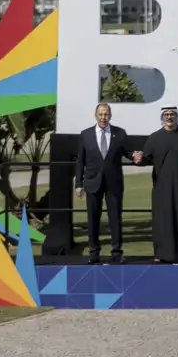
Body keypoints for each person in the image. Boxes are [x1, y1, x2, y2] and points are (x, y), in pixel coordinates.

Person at [133, 106, 178, 263]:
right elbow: (146, 158)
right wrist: (138, 159)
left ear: (177, 116)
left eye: (172, 114)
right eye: (166, 114)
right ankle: (162, 253)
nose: (169, 117)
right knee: (163, 219)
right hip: (161, 186)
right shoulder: (154, 137)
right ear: (162, 117)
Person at [74, 103, 134, 264]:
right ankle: (94, 252)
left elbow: (128, 153)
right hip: (92, 182)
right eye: (100, 114)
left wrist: (136, 156)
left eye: (106, 114)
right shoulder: (85, 135)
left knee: (115, 218)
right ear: (95, 115)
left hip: (114, 184)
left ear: (110, 116)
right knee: (93, 219)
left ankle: (116, 252)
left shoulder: (120, 133)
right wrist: (78, 183)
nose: (103, 118)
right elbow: (80, 161)